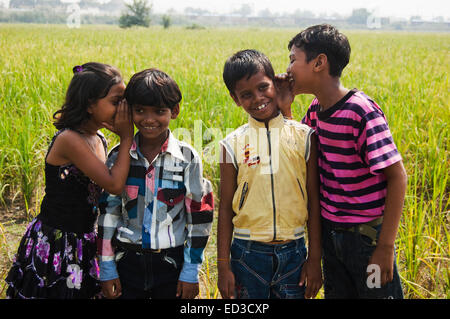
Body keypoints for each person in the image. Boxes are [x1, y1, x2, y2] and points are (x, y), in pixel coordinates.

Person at [281, 24, 407, 298]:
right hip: (332, 238)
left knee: (377, 294)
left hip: (366, 242)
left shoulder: (360, 112)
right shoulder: (316, 110)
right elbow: (299, 152)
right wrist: (286, 107)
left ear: (319, 63)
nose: (288, 68)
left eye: (293, 59)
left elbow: (397, 176)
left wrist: (385, 246)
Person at [5, 62, 134, 299]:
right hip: (59, 242)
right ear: (89, 104)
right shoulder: (70, 139)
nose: (123, 108)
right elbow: (114, 184)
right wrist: (127, 137)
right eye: (116, 102)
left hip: (84, 238)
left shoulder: (98, 138)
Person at [97, 68, 214, 299]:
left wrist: (190, 271)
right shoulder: (117, 157)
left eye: (159, 111)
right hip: (126, 262)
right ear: (129, 111)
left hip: (171, 263)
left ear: (175, 111)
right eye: (139, 111)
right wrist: (107, 267)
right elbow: (107, 214)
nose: (149, 119)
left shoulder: (187, 159)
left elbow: (199, 218)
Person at [217, 49, 322, 299]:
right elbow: (224, 209)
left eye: (264, 87)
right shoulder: (230, 144)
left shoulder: (304, 137)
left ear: (275, 83)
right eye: (246, 94)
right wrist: (223, 266)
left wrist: (315, 259)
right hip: (246, 255)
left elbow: (314, 201)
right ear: (235, 98)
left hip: (295, 254)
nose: (258, 98)